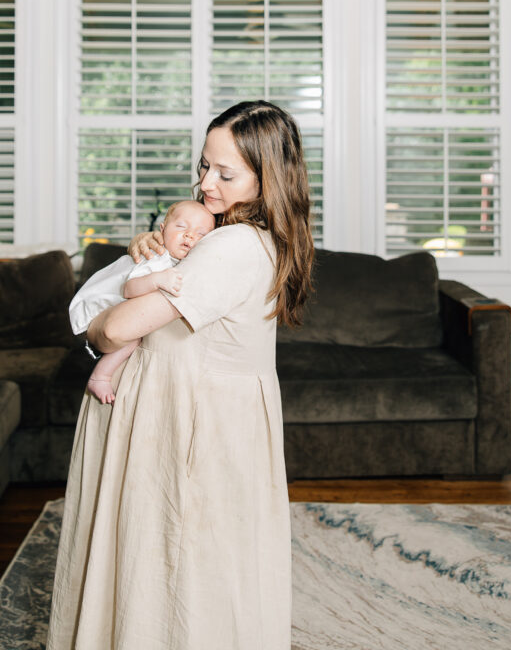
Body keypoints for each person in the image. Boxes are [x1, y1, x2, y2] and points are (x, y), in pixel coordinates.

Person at [46, 100, 313, 650]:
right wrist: (149, 254)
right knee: (180, 563)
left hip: (189, 421)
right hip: (182, 411)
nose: (206, 183)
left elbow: (113, 331)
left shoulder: (234, 247)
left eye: (225, 174)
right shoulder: (226, 235)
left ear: (267, 181)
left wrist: (103, 318)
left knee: (174, 565)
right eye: (204, 165)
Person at [68, 200, 215, 404]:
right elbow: (129, 289)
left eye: (201, 234)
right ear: (162, 230)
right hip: (95, 306)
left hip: (111, 307)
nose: (190, 235)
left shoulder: (178, 261)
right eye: (181, 226)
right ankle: (100, 376)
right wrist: (157, 280)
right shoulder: (156, 257)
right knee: (134, 335)